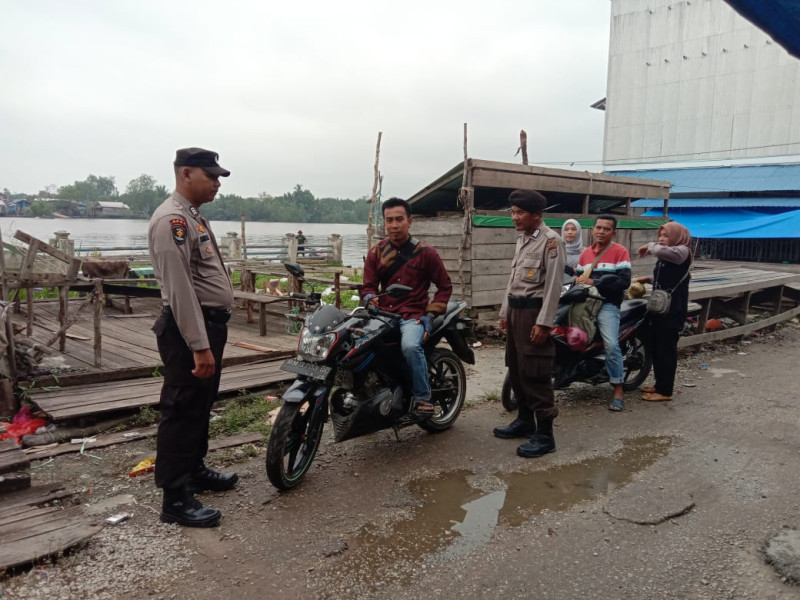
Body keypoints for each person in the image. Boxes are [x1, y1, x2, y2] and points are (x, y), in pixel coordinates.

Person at [148, 147, 237, 527]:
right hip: (190, 329)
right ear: (187, 174)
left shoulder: (192, 217)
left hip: (209, 325)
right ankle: (175, 497)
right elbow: (180, 289)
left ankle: (194, 469)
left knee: (201, 404)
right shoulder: (173, 221)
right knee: (182, 409)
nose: (217, 183)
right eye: (211, 176)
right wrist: (199, 345)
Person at [361, 197, 452, 416]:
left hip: (413, 315)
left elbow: (444, 287)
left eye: (399, 219)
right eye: (389, 220)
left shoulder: (426, 253)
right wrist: (370, 297)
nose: (394, 225)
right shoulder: (377, 252)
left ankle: (422, 398)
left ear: (409, 222)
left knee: (411, 347)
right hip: (383, 315)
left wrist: (430, 316)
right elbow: (368, 286)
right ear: (384, 222)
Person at [494, 189, 566, 458]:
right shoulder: (523, 239)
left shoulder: (551, 242)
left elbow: (553, 286)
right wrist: (504, 312)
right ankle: (525, 421)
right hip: (516, 312)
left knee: (535, 371)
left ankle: (546, 435)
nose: (515, 217)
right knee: (516, 368)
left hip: (534, 314)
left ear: (537, 215)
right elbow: (514, 281)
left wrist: (545, 322)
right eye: (513, 212)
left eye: (520, 213)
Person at [569, 215, 632, 412]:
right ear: (592, 229)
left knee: (611, 345)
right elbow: (578, 279)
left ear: (614, 232)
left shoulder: (620, 252)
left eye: (606, 229)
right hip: (585, 304)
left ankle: (618, 390)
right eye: (598, 227)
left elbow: (624, 281)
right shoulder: (585, 253)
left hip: (607, 304)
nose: (601, 231)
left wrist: (596, 282)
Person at [635, 222, 692, 402]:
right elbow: (666, 277)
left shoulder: (682, 251)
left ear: (677, 236)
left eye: (666, 235)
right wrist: (648, 279)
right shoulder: (669, 253)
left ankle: (665, 391)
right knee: (658, 347)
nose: (661, 239)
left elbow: (661, 252)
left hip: (673, 309)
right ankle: (659, 384)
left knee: (666, 349)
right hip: (661, 307)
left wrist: (650, 245)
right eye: (660, 235)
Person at [561, 218, 584, 285]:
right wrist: (571, 270)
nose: (570, 232)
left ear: (579, 231)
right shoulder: (556, 251)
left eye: (573, 229)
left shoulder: (585, 252)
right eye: (566, 229)